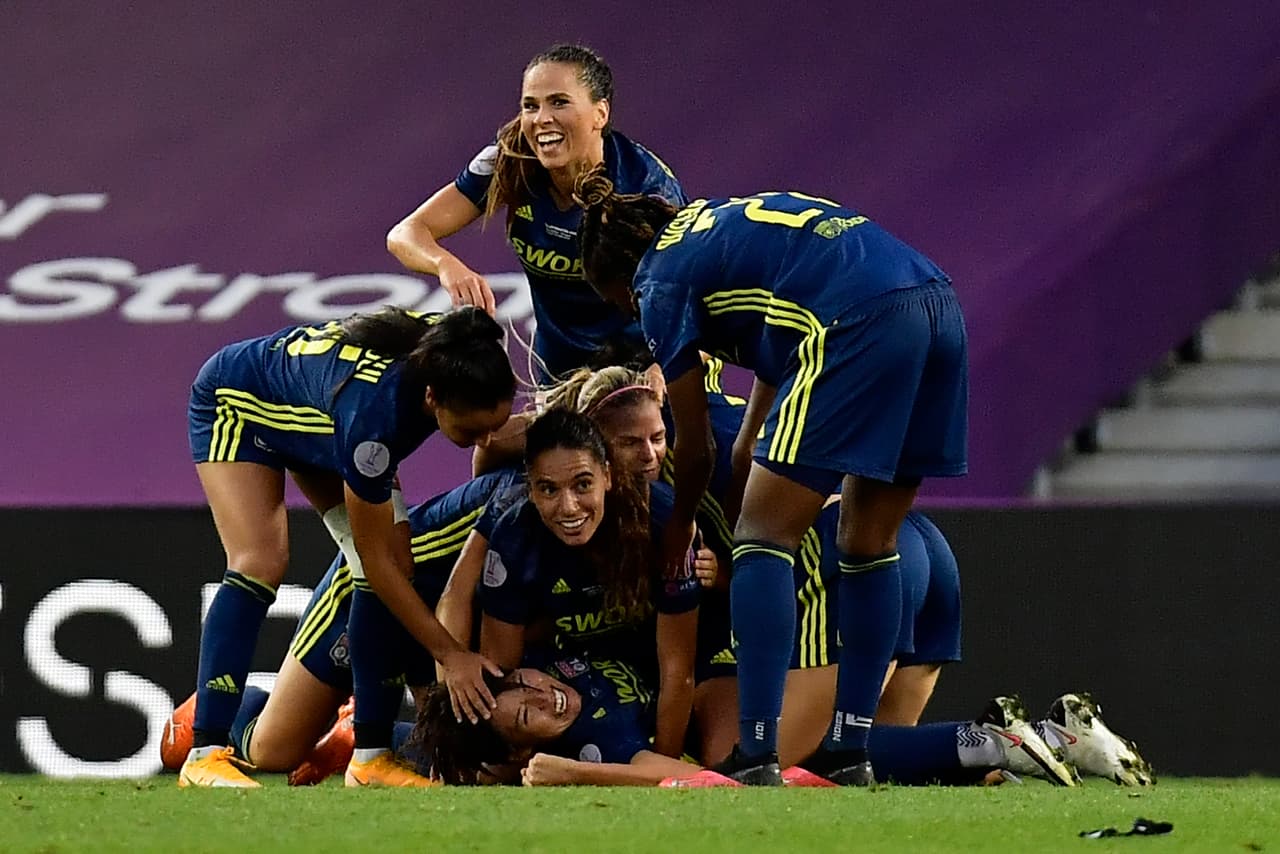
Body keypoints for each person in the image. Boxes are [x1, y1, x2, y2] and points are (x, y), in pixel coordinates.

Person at [575, 171, 968, 785]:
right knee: (868, 544)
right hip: (936, 305)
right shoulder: (720, 229)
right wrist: (744, 467)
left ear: (614, 285)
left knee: (761, 539)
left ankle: (756, 751)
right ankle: (850, 746)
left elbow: (695, 443)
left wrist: (681, 528)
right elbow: (770, 363)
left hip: (851, 322)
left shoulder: (658, 277)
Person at [179, 305, 515, 787]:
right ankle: (205, 751)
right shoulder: (374, 422)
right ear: (431, 397)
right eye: (472, 430)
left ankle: (370, 757)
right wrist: (450, 655)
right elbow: (379, 565)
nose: (488, 439)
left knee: (399, 561)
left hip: (318, 416)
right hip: (240, 403)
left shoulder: (455, 350)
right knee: (261, 562)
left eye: (495, 423)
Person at [161, 468, 522, 786]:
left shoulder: (558, 511)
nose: (571, 505)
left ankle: (352, 735)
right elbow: (426, 586)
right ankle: (223, 712)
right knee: (272, 751)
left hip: (435, 621)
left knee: (471, 768)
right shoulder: (521, 490)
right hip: (368, 587)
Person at [387, 44, 686, 379]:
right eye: (530, 106)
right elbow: (405, 234)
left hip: (648, 368)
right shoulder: (510, 162)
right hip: (560, 372)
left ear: (600, 114)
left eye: (559, 102)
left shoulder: (648, 189)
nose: (542, 118)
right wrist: (445, 264)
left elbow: (701, 307)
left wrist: (663, 369)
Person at [474, 408, 700, 758]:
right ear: (530, 489)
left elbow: (678, 671)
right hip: (582, 674)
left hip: (680, 667)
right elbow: (504, 669)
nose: (568, 507)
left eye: (583, 484)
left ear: (607, 476)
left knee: (720, 754)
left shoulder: (663, 523)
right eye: (548, 489)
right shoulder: (513, 538)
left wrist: (663, 773)